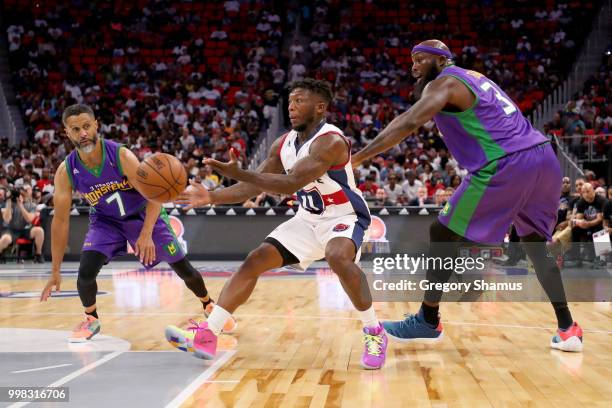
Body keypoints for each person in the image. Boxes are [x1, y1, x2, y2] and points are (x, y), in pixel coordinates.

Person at [351, 40, 583, 352]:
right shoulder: (476, 78)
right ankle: (569, 328)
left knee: (441, 231)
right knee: (535, 246)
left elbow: (407, 122)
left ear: (441, 59)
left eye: (420, 59)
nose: (414, 66)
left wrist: (359, 157)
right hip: (543, 157)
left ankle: (427, 320)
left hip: (507, 162)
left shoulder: (446, 82)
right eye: (412, 61)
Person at [172, 79, 387, 369]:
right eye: (290, 102)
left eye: (299, 101)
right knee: (255, 260)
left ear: (320, 107)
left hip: (344, 216)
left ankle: (374, 331)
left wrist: (244, 174)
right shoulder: (283, 143)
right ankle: (209, 333)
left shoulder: (331, 141)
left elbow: (290, 184)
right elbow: (250, 190)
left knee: (337, 256)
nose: (292, 107)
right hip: (307, 219)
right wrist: (211, 196)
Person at [39, 104, 235, 342]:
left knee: (183, 268)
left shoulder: (120, 156)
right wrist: (55, 271)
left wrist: (145, 234)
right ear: (66, 133)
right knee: (85, 273)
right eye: (76, 129)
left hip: (142, 213)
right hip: (105, 221)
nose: (83, 133)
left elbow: (154, 194)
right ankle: (91, 319)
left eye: (87, 126)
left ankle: (208, 305)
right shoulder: (66, 171)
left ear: (96, 125)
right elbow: (59, 221)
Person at [0, 185, 45, 262]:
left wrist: (20, 205)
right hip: (11, 229)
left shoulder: (32, 205)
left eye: (25, 191)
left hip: (25, 229)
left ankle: (38, 254)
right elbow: (7, 219)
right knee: (5, 239)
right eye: (21, 191)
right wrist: (9, 201)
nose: (22, 193)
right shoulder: (11, 203)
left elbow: (29, 219)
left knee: (39, 231)